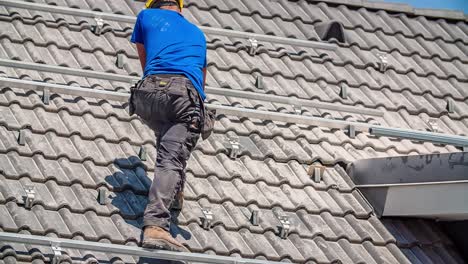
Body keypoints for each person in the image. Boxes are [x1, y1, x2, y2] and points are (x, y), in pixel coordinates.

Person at [129, 0, 207, 252]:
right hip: (182, 95)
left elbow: (144, 56)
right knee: (172, 157)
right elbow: (200, 84)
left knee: (167, 136)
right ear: (180, 9)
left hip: (146, 95)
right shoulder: (198, 33)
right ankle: (156, 226)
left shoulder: (145, 16)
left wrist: (156, 85)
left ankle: (173, 194)